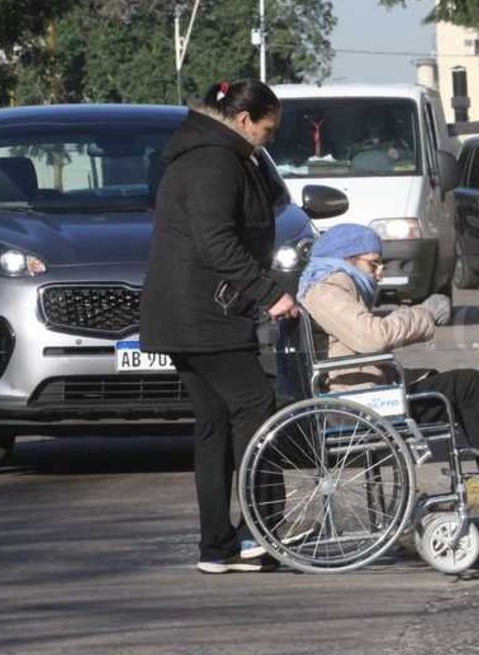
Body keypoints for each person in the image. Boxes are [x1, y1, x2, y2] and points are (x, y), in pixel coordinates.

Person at [298, 224, 479, 515]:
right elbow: (373, 336)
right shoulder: (325, 290)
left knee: (462, 387)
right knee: (467, 386)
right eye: (374, 264)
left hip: (368, 395)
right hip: (357, 405)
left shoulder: (337, 288)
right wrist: (423, 314)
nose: (380, 273)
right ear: (346, 258)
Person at [140, 79, 296, 575]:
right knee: (255, 407)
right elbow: (216, 242)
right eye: (268, 129)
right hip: (205, 313)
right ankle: (259, 533)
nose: (270, 139)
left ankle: (217, 546)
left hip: (186, 311)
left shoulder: (211, 154)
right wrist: (270, 293)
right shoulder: (215, 161)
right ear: (244, 119)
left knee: (213, 423)